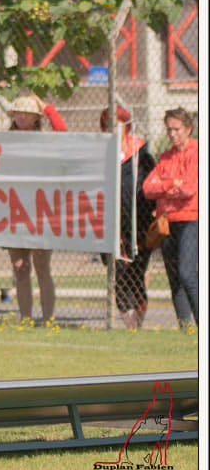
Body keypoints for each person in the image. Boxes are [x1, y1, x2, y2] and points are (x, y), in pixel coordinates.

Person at [6, 94, 67, 324]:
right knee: (20, 267)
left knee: (42, 267)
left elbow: (63, 134)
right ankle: (25, 318)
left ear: (35, 118)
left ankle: (48, 318)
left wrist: (48, 108)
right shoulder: (5, 141)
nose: (21, 116)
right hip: (14, 211)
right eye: (18, 112)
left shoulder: (45, 141)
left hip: (40, 211)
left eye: (27, 112)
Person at [99, 106, 157, 329]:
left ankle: (138, 324)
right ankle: (132, 328)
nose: (111, 129)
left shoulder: (140, 153)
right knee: (119, 276)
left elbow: (152, 183)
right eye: (107, 125)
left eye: (116, 124)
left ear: (126, 126)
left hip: (138, 223)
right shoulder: (101, 153)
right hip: (110, 224)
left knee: (136, 276)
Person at [142, 108, 198, 327]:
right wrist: (170, 185)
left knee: (187, 274)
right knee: (174, 277)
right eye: (169, 130)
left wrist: (164, 188)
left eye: (176, 129)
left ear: (188, 129)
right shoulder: (166, 156)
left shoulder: (196, 153)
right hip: (167, 222)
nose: (172, 134)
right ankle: (185, 327)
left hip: (191, 219)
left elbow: (189, 189)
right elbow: (148, 188)